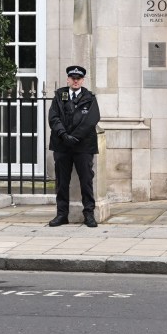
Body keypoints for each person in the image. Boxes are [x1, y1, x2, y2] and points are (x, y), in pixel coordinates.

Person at [48, 65, 101, 227]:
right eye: (73, 78)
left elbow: (92, 120)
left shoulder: (90, 98)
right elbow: (53, 117)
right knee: (62, 182)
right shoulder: (59, 95)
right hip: (62, 145)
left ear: (82, 80)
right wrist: (64, 135)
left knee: (86, 180)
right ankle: (62, 214)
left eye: (78, 79)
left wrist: (75, 137)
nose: (75, 81)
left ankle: (89, 214)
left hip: (83, 145)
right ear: (68, 79)